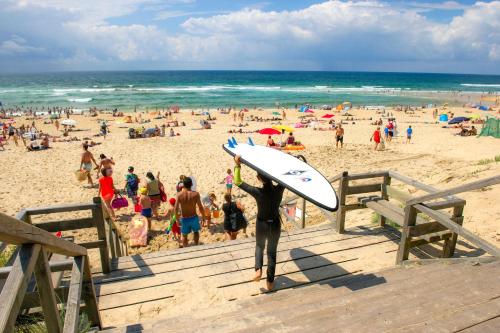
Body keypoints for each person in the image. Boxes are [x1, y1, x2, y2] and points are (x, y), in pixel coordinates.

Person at [233, 155, 284, 291]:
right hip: (275, 224)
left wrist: (237, 165)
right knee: (272, 252)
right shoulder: (280, 189)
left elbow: (238, 182)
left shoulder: (257, 192)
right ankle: (270, 282)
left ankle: (258, 270)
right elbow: (285, 178)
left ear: (259, 179)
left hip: (261, 224)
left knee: (259, 246)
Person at [174, 177, 205, 247]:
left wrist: (177, 219)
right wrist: (203, 217)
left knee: (184, 235)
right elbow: (200, 207)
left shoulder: (179, 195)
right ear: (191, 184)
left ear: (183, 185)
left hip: (184, 218)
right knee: (196, 232)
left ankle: (185, 248)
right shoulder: (196, 194)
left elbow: (175, 209)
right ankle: (196, 245)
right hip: (194, 217)